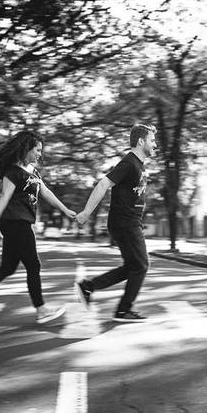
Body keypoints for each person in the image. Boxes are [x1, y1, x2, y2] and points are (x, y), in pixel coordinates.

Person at [0, 131, 77, 324]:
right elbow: (4, 197)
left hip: (20, 222)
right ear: (26, 149)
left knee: (7, 267)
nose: (40, 154)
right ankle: (41, 310)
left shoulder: (33, 171)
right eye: (37, 150)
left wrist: (65, 210)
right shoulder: (13, 172)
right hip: (15, 222)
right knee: (33, 265)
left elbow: (46, 193)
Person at [74, 123, 157, 322]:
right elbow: (104, 183)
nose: (156, 145)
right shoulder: (129, 162)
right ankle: (123, 310)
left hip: (129, 221)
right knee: (141, 265)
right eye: (152, 141)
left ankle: (88, 287)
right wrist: (86, 212)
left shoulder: (139, 165)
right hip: (125, 222)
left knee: (133, 266)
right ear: (140, 141)